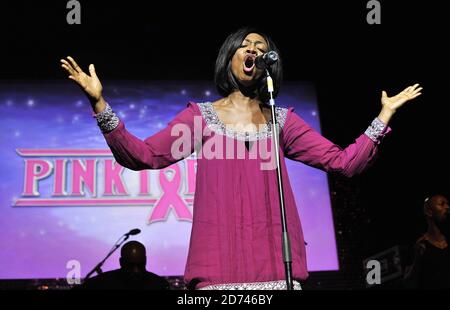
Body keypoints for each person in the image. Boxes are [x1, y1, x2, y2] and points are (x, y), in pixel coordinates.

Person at [61, 27, 422, 290]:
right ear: (229, 56)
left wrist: (383, 117)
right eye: (245, 45)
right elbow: (143, 156)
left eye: (260, 48)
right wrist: (99, 103)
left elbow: (345, 163)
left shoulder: (282, 120)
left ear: (268, 64)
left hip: (277, 274)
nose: (253, 50)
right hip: (219, 272)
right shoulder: (199, 117)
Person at [77, 241, 170, 290]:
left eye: (140, 265)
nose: (136, 271)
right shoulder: (100, 283)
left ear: (145, 261)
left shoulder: (159, 285)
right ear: (121, 262)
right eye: (131, 265)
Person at [404, 195, 450, 289]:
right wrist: (417, 259)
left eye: (447, 204)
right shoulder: (419, 244)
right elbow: (408, 282)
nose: (448, 207)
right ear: (429, 212)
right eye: (442, 204)